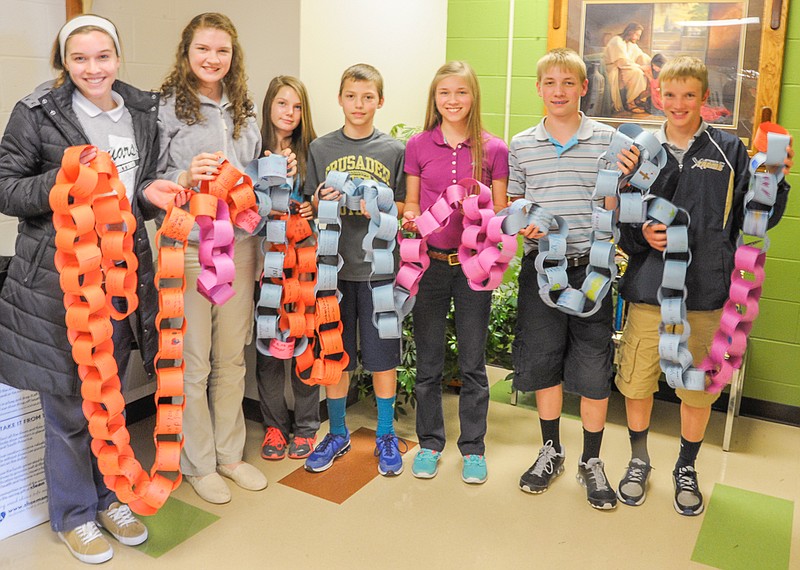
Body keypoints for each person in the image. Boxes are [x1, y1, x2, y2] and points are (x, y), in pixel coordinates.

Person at [0, 14, 187, 564]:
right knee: (67, 408)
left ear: (118, 56)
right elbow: (6, 190)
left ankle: (109, 496)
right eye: (79, 58)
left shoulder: (141, 112)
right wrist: (64, 179)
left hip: (123, 278)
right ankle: (75, 515)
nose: (93, 68)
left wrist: (159, 192)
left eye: (102, 56)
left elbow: (138, 190)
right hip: (59, 283)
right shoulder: (35, 114)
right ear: (65, 62)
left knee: (110, 398)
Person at [614, 56, 793, 515]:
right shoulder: (640, 150)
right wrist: (641, 236)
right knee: (637, 382)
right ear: (659, 96)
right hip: (650, 291)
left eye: (688, 95)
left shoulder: (729, 152)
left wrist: (777, 178)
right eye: (669, 95)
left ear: (703, 98)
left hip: (707, 293)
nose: (678, 103)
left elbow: (757, 216)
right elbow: (623, 220)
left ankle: (686, 467)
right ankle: (639, 460)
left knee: (698, 390)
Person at [508, 48, 635, 510]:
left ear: (584, 88)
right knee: (543, 359)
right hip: (542, 268)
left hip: (592, 268)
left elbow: (621, 204)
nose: (558, 91)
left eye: (568, 83)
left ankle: (592, 460)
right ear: (539, 89)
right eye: (550, 83)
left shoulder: (610, 141)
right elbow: (515, 202)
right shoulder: (522, 143)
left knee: (592, 364)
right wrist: (523, 221)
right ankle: (551, 449)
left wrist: (623, 188)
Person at [158, 12, 268, 504]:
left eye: (221, 51)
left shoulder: (244, 109)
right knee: (194, 360)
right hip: (190, 249)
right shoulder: (164, 110)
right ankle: (199, 463)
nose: (212, 59)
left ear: (233, 56)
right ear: (187, 53)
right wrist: (184, 176)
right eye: (203, 49)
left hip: (239, 248)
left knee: (231, 357)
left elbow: (258, 186)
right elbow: (150, 179)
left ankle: (230, 455)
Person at [401, 61, 508, 484]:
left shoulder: (493, 149)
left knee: (472, 363)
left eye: (461, 92)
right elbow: (411, 202)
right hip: (429, 266)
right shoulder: (418, 145)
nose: (452, 100)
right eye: (444, 93)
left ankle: (473, 449)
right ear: (434, 98)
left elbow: (499, 211)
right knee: (428, 362)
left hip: (472, 268)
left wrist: (483, 212)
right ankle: (429, 443)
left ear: (473, 97)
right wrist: (411, 218)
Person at [303, 63, 406, 477]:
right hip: (334, 271)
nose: (359, 104)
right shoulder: (320, 149)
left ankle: (384, 433)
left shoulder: (394, 151)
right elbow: (310, 206)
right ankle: (339, 431)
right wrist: (319, 199)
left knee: (383, 358)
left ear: (380, 101)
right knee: (335, 355)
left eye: (368, 97)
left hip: (378, 273)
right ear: (340, 98)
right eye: (351, 96)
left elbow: (404, 206)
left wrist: (378, 205)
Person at [255, 76, 321, 461]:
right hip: (265, 268)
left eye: (297, 107)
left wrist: (311, 206)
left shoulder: (311, 153)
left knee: (303, 346)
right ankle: (275, 428)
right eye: (282, 105)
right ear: (269, 107)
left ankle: (307, 427)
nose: (290, 114)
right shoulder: (252, 152)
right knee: (269, 350)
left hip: (302, 268)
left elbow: (319, 204)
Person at [604, 22, 651, 114]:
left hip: (625, 68)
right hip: (613, 68)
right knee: (637, 72)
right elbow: (621, 62)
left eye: (639, 35)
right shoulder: (617, 40)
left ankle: (638, 100)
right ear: (630, 32)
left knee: (645, 72)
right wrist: (641, 67)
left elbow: (642, 56)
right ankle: (630, 103)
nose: (638, 38)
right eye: (637, 34)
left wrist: (653, 64)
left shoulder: (631, 44)